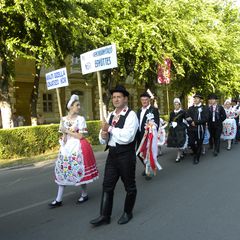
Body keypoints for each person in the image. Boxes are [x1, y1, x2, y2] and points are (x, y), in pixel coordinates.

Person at [90, 85, 139, 226]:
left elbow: (128, 137)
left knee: (129, 186)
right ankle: (104, 215)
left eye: (119, 97)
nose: (116, 99)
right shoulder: (110, 115)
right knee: (107, 186)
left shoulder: (131, 115)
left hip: (126, 155)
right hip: (112, 155)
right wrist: (104, 135)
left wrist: (110, 128)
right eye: (114, 97)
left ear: (125, 99)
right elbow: (103, 138)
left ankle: (127, 212)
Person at [49, 94, 99, 208]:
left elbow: (81, 136)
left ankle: (84, 193)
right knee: (63, 171)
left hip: (77, 147)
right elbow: (64, 135)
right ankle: (58, 199)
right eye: (77, 105)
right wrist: (63, 138)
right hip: (66, 149)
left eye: (79, 105)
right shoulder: (63, 119)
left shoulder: (80, 119)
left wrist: (67, 131)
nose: (79, 107)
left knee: (79, 171)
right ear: (70, 107)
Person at [136, 92, 159, 179]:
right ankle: (146, 166)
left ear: (149, 100)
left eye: (146, 99)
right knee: (139, 153)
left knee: (148, 153)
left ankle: (148, 171)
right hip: (139, 135)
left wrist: (151, 128)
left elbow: (157, 122)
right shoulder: (139, 110)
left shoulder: (153, 110)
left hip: (149, 135)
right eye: (142, 100)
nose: (144, 101)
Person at [187, 93, 209, 164]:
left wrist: (196, 122)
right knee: (190, 143)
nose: (195, 99)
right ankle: (196, 152)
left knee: (199, 143)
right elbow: (187, 117)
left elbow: (206, 118)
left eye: (197, 98)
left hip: (200, 129)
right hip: (191, 129)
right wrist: (191, 122)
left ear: (200, 100)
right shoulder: (191, 108)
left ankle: (197, 158)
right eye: (195, 98)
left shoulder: (205, 108)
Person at [167, 98, 188, 162]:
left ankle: (178, 156)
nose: (176, 106)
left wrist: (190, 123)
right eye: (175, 105)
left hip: (180, 129)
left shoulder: (183, 112)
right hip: (174, 129)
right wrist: (171, 124)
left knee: (180, 142)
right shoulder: (172, 113)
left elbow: (187, 119)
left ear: (179, 105)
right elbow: (170, 120)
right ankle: (182, 152)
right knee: (177, 143)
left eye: (177, 104)